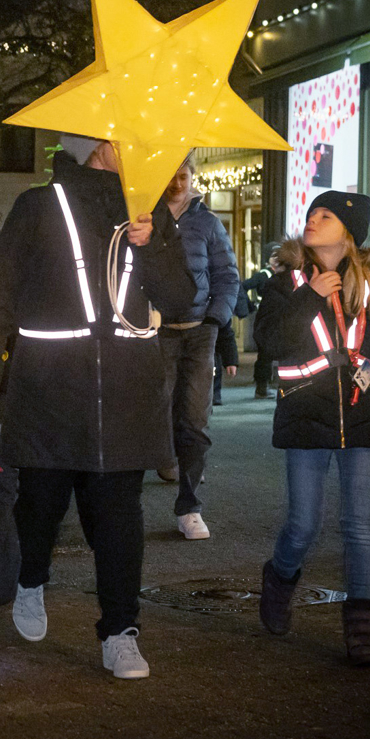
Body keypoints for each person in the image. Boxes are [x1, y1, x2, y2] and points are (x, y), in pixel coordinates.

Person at [0, 136, 195, 680]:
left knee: (119, 515)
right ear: (99, 144)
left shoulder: (150, 210)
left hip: (126, 388)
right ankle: (30, 579)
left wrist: (154, 242)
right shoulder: (37, 204)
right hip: (48, 384)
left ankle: (120, 631)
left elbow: (183, 299)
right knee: (41, 504)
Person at [253, 191, 370, 668]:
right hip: (305, 414)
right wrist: (310, 295)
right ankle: (280, 580)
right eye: (311, 213)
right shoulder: (286, 283)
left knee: (359, 525)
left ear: (348, 233)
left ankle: (362, 622)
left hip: (362, 415)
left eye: (325, 216)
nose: (312, 220)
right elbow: (270, 343)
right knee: (303, 525)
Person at [152, 157, 239, 541]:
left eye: (183, 175)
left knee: (195, 417)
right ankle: (166, 461)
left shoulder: (207, 223)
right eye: (171, 174)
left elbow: (227, 275)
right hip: (156, 332)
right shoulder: (145, 218)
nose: (176, 182)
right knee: (156, 410)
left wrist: (215, 320)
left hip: (200, 331)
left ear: (192, 178)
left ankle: (189, 505)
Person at [243, 243, 283, 398]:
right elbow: (243, 286)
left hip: (277, 317)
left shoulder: (283, 274)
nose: (278, 259)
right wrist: (250, 307)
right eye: (274, 255)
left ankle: (267, 385)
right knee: (265, 354)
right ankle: (262, 387)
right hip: (267, 318)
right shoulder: (264, 275)